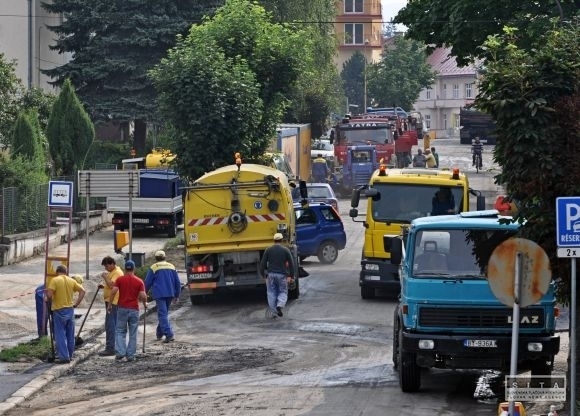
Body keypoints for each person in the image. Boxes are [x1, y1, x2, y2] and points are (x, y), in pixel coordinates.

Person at [45, 265, 86, 364]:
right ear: (66, 272)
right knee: (70, 334)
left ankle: (64, 357)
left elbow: (49, 295)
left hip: (59, 310)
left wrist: (47, 297)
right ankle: (70, 355)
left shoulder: (55, 280)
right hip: (70, 310)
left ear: (57, 272)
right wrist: (76, 304)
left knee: (60, 334)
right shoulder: (71, 281)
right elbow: (83, 291)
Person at [110, 260, 147, 362]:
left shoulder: (120, 279)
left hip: (122, 308)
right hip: (134, 309)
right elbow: (143, 296)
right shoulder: (139, 281)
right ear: (134, 268)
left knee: (120, 331)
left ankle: (120, 353)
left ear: (125, 269)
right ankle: (130, 355)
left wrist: (109, 305)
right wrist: (145, 304)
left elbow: (113, 291)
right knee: (133, 333)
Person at [144, 250, 182, 343]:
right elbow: (177, 282)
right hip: (170, 293)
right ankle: (159, 333)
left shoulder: (154, 267)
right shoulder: (171, 266)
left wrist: (144, 293)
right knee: (164, 314)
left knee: (162, 314)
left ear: (156, 258)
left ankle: (169, 334)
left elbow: (147, 283)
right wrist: (177, 295)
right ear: (165, 257)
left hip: (159, 294)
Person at [260, 233, 295, 317]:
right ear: (282, 240)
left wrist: (263, 275)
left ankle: (274, 312)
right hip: (282, 275)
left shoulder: (268, 250)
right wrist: (291, 276)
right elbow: (291, 263)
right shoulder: (285, 250)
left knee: (271, 293)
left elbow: (263, 264)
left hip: (271, 275)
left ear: (274, 240)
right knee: (282, 291)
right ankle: (280, 305)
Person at [98, 256, 123, 356]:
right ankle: (114, 346)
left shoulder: (117, 272)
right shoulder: (114, 272)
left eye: (106, 266)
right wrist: (103, 286)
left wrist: (105, 277)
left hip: (113, 302)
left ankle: (110, 348)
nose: (105, 268)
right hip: (111, 301)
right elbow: (110, 284)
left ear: (112, 264)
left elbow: (113, 286)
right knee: (112, 324)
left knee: (110, 325)